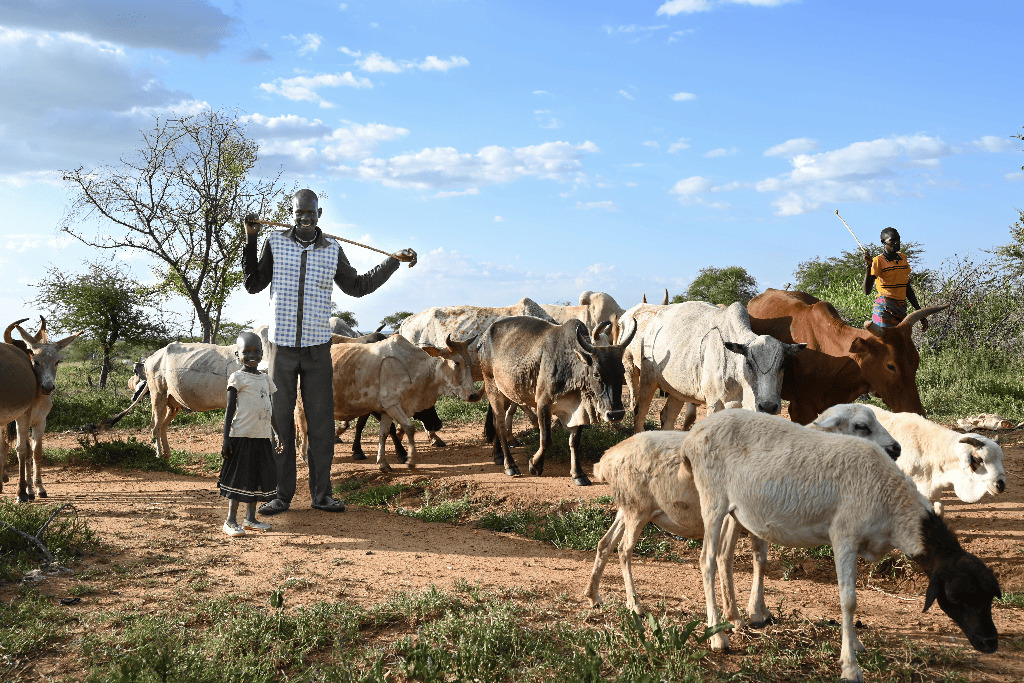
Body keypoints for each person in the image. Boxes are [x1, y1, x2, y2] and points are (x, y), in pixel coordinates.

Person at [242, 189, 416, 515]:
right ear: (291, 213)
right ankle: (281, 496)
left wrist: (391, 262)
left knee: (321, 425)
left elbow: (358, 286)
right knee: (281, 422)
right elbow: (253, 283)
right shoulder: (275, 243)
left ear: (319, 214)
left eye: (310, 213)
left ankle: (322, 495)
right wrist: (250, 240)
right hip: (281, 348)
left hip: (317, 350)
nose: (305, 219)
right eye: (299, 213)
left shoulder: (332, 249)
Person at [220, 331, 280, 536]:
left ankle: (250, 519)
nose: (252, 355)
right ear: (238, 355)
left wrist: (277, 433)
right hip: (241, 436)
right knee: (239, 479)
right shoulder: (236, 378)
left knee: (255, 478)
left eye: (257, 351)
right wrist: (226, 437)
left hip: (262, 437)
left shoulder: (265, 379)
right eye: (247, 352)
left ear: (263, 353)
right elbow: (230, 409)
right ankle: (230, 521)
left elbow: (269, 409)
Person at [862, 227, 927, 330]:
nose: (897, 242)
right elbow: (866, 291)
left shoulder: (903, 258)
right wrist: (869, 266)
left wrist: (919, 313)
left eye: (898, 239)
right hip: (884, 310)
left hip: (901, 310)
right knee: (886, 342)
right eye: (893, 240)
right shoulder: (878, 261)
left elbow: (907, 287)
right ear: (883, 242)